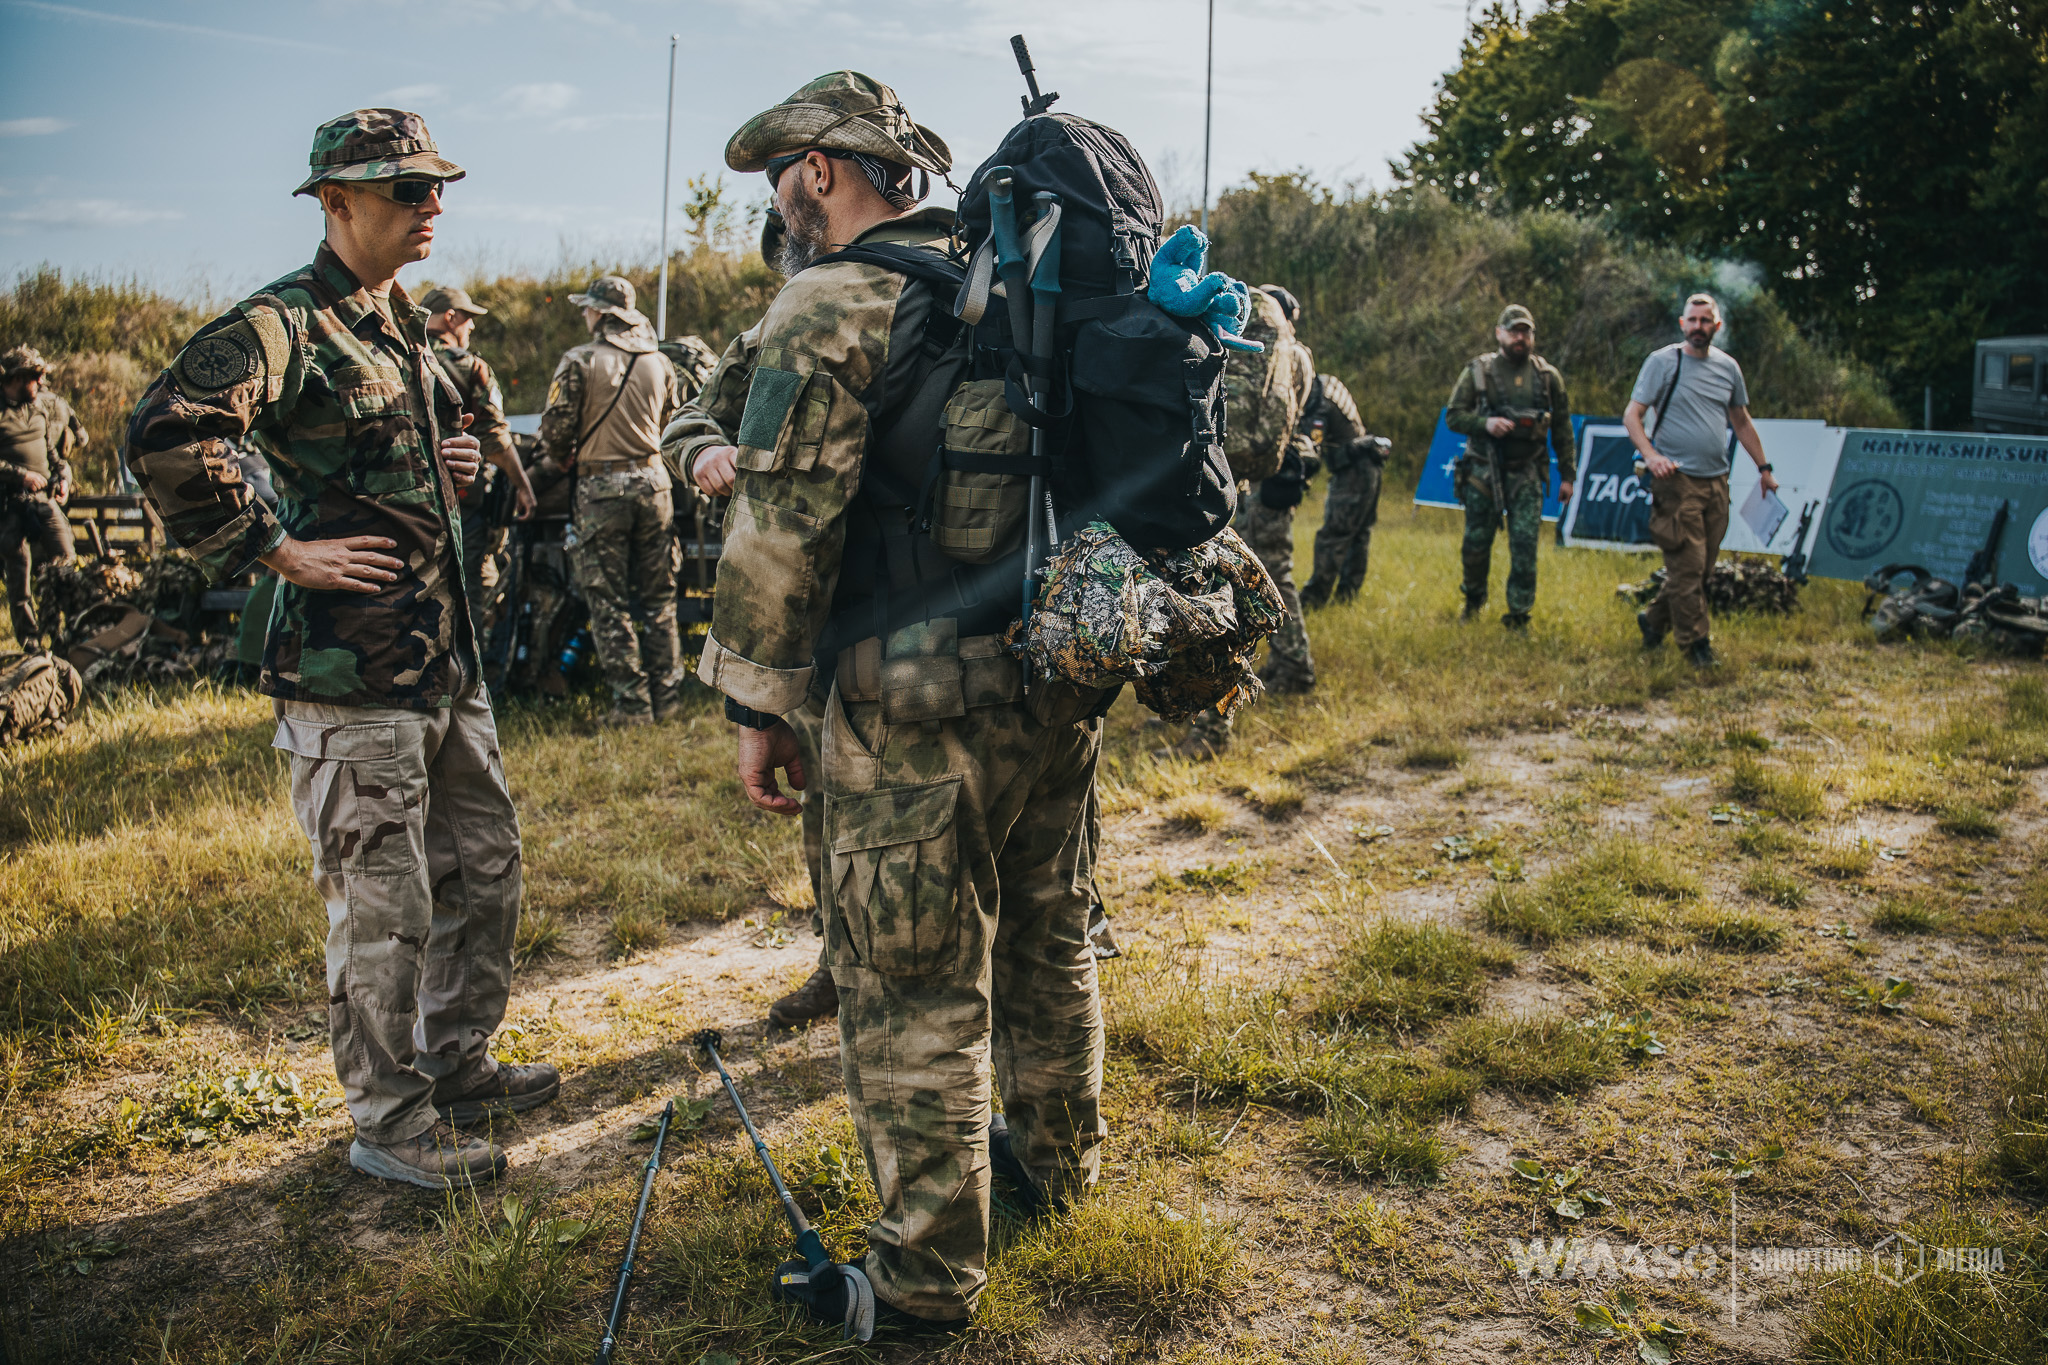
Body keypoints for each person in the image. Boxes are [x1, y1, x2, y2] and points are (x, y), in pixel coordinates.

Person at [668, 70, 1107, 1335]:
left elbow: (783, 524)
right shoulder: (1017, 283)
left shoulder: (833, 299)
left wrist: (755, 707)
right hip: (1050, 682)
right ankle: (1056, 1167)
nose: (780, 204)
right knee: (1048, 932)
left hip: (904, 699)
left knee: (911, 984)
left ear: (819, 169)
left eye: (781, 181)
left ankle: (921, 1284)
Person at [125, 108, 553, 1191]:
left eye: (437, 188)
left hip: (441, 660)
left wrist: (454, 466)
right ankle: (389, 1119)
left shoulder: (402, 324)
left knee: (484, 871)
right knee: (382, 905)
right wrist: (277, 549)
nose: (432, 206)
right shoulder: (286, 322)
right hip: (348, 675)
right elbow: (170, 431)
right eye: (408, 189)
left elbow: (395, 459)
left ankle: (455, 1063)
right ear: (337, 201)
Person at [536, 276, 683, 725]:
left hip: (602, 489)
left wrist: (561, 455)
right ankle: (669, 699)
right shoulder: (660, 362)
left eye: (587, 308)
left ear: (600, 313)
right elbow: (672, 424)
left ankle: (633, 705)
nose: (584, 315)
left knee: (608, 601)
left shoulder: (580, 360)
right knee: (660, 599)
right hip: (655, 486)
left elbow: (556, 431)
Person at [1177, 284, 1313, 757]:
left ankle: (1210, 731)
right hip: (1253, 480)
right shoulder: (1297, 355)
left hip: (1219, 476)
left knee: (1216, 594)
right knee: (1250, 582)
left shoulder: (1234, 333)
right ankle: (1204, 710)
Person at [1624, 292, 1777, 667]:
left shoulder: (1728, 367)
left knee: (1703, 568)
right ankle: (1697, 646)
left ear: (1716, 326)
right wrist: (1651, 456)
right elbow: (1632, 415)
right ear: (1682, 324)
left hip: (1716, 482)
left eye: (1705, 321)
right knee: (1688, 567)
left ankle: (1653, 619)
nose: (1698, 327)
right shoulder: (1663, 362)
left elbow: (1741, 421)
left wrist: (1764, 468)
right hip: (1677, 482)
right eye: (1692, 320)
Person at [1444, 304, 1575, 629]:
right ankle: (1473, 601)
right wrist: (1485, 424)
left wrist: (1568, 475)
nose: (1520, 338)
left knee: (1525, 545)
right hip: (1482, 471)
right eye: (1514, 331)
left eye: (1526, 332)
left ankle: (1519, 613)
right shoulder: (1478, 372)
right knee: (1476, 543)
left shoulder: (1547, 377)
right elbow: (1453, 416)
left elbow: (1563, 428)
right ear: (1499, 334)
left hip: (1527, 471)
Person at [423, 285, 536, 643]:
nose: (471, 326)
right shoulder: (469, 366)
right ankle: (472, 667)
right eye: (467, 317)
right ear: (449, 317)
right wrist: (522, 485)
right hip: (462, 502)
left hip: (406, 501)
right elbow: (495, 439)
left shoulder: (398, 357)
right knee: (470, 591)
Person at [0, 345, 82, 646]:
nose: (40, 384)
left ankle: (69, 633)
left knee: (67, 562)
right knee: (19, 577)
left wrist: (63, 477)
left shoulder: (37, 410)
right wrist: (20, 475)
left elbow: (52, 455)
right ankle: (31, 642)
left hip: (44, 502)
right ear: (18, 378)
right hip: (10, 505)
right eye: (36, 378)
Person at [1299, 372, 1390, 609]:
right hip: (1367, 466)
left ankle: (1314, 599)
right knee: (1359, 536)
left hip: (1353, 471)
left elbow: (1310, 446)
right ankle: (1347, 596)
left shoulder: (1318, 399)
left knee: (1333, 536)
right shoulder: (1325, 384)